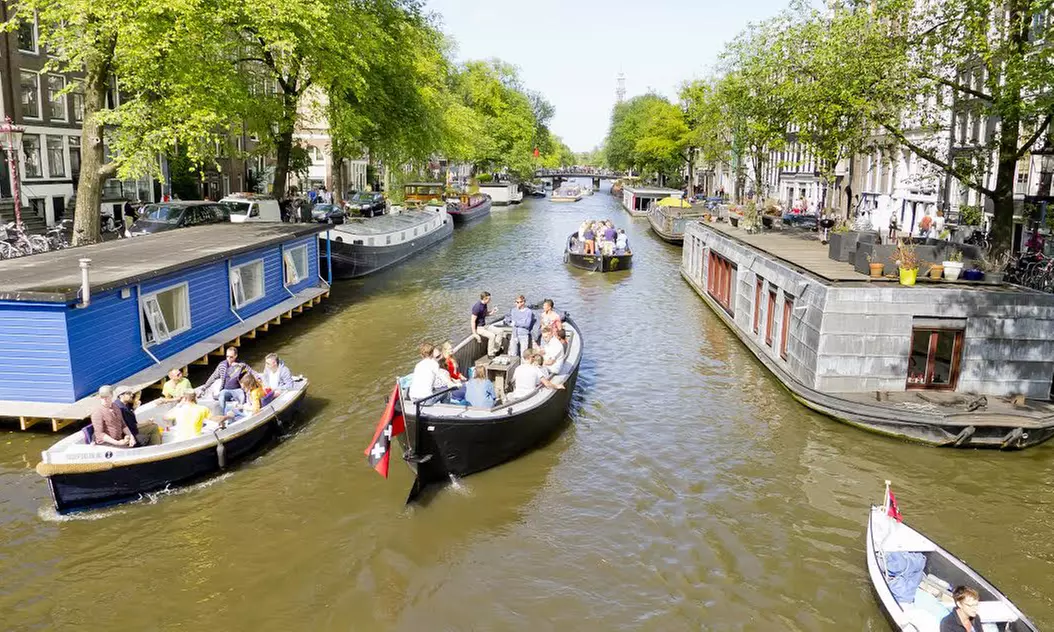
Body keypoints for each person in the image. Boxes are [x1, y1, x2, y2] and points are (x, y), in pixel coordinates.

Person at [471, 291, 501, 356]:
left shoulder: (484, 305)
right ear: (485, 299)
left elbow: (485, 314)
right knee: (492, 336)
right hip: (479, 328)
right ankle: (490, 354)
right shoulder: (477, 307)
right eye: (489, 299)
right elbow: (473, 321)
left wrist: (492, 312)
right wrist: (474, 333)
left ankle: (496, 350)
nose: (490, 300)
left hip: (485, 325)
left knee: (500, 331)